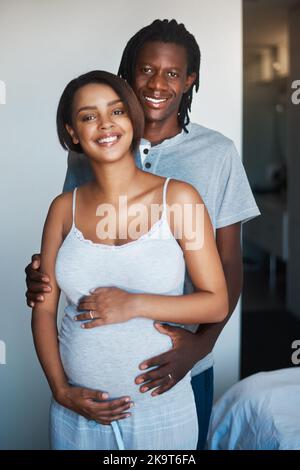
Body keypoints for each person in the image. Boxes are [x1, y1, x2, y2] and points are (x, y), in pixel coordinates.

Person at [25, 19, 260, 449]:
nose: (157, 83)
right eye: (146, 70)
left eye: (172, 73)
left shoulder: (214, 157)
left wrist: (199, 347)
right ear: (129, 75)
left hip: (176, 369)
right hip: (78, 409)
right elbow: (66, 253)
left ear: (190, 80)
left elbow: (228, 267)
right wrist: (42, 273)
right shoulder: (84, 163)